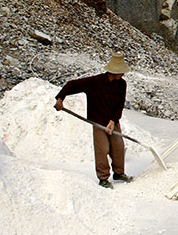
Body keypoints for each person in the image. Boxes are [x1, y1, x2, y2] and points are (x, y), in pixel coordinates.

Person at [54, 52, 133, 189]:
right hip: (97, 121)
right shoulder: (95, 82)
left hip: (113, 120)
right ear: (113, 71)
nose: (123, 75)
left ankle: (119, 173)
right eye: (120, 72)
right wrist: (60, 98)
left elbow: (120, 105)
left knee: (118, 146)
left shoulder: (122, 84)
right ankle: (103, 178)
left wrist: (113, 121)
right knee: (102, 149)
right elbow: (71, 84)